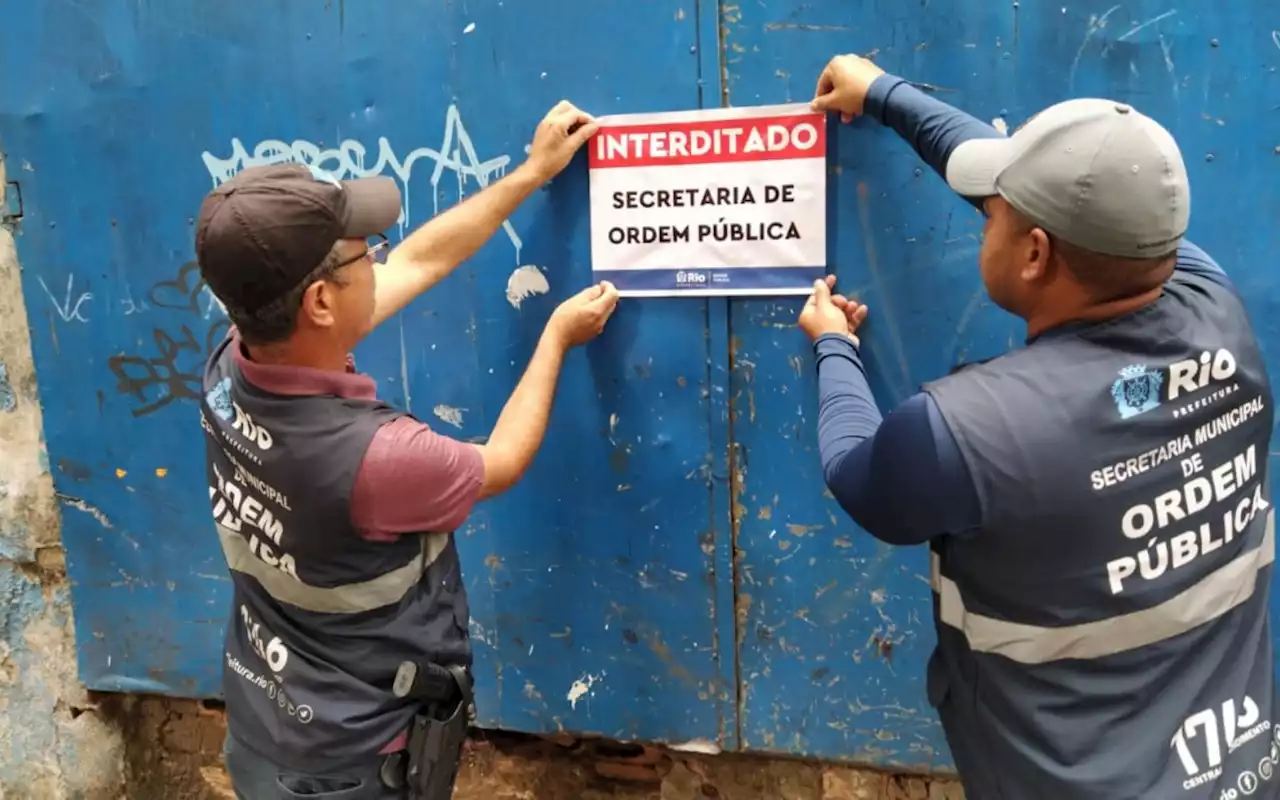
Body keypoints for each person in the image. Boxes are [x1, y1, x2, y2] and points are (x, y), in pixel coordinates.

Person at [799, 55, 1278, 799]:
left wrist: (832, 343)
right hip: (1239, 771)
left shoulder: (964, 432)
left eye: (996, 214)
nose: (987, 212)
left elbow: (855, 472)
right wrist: (886, 96)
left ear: (1034, 253)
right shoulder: (1207, 296)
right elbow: (1073, 206)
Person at [193, 100, 618, 799]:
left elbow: (422, 259)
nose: (384, 258)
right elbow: (503, 460)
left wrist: (533, 173)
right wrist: (556, 337)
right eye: (367, 254)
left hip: (266, 728)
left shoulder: (230, 367)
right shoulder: (381, 460)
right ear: (322, 304)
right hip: (356, 767)